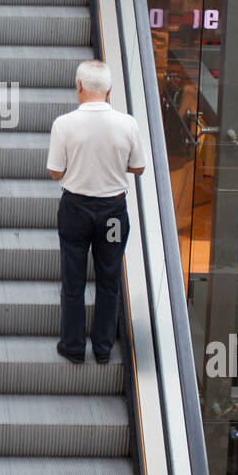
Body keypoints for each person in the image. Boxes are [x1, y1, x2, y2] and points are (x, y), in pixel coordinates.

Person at [46, 60, 145, 364]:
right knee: (109, 277)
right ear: (109, 90)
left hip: (76, 209)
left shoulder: (64, 124)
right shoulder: (127, 123)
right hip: (113, 212)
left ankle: (74, 347)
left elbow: (54, 172)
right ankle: (103, 349)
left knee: (73, 280)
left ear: (78, 86)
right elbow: (138, 167)